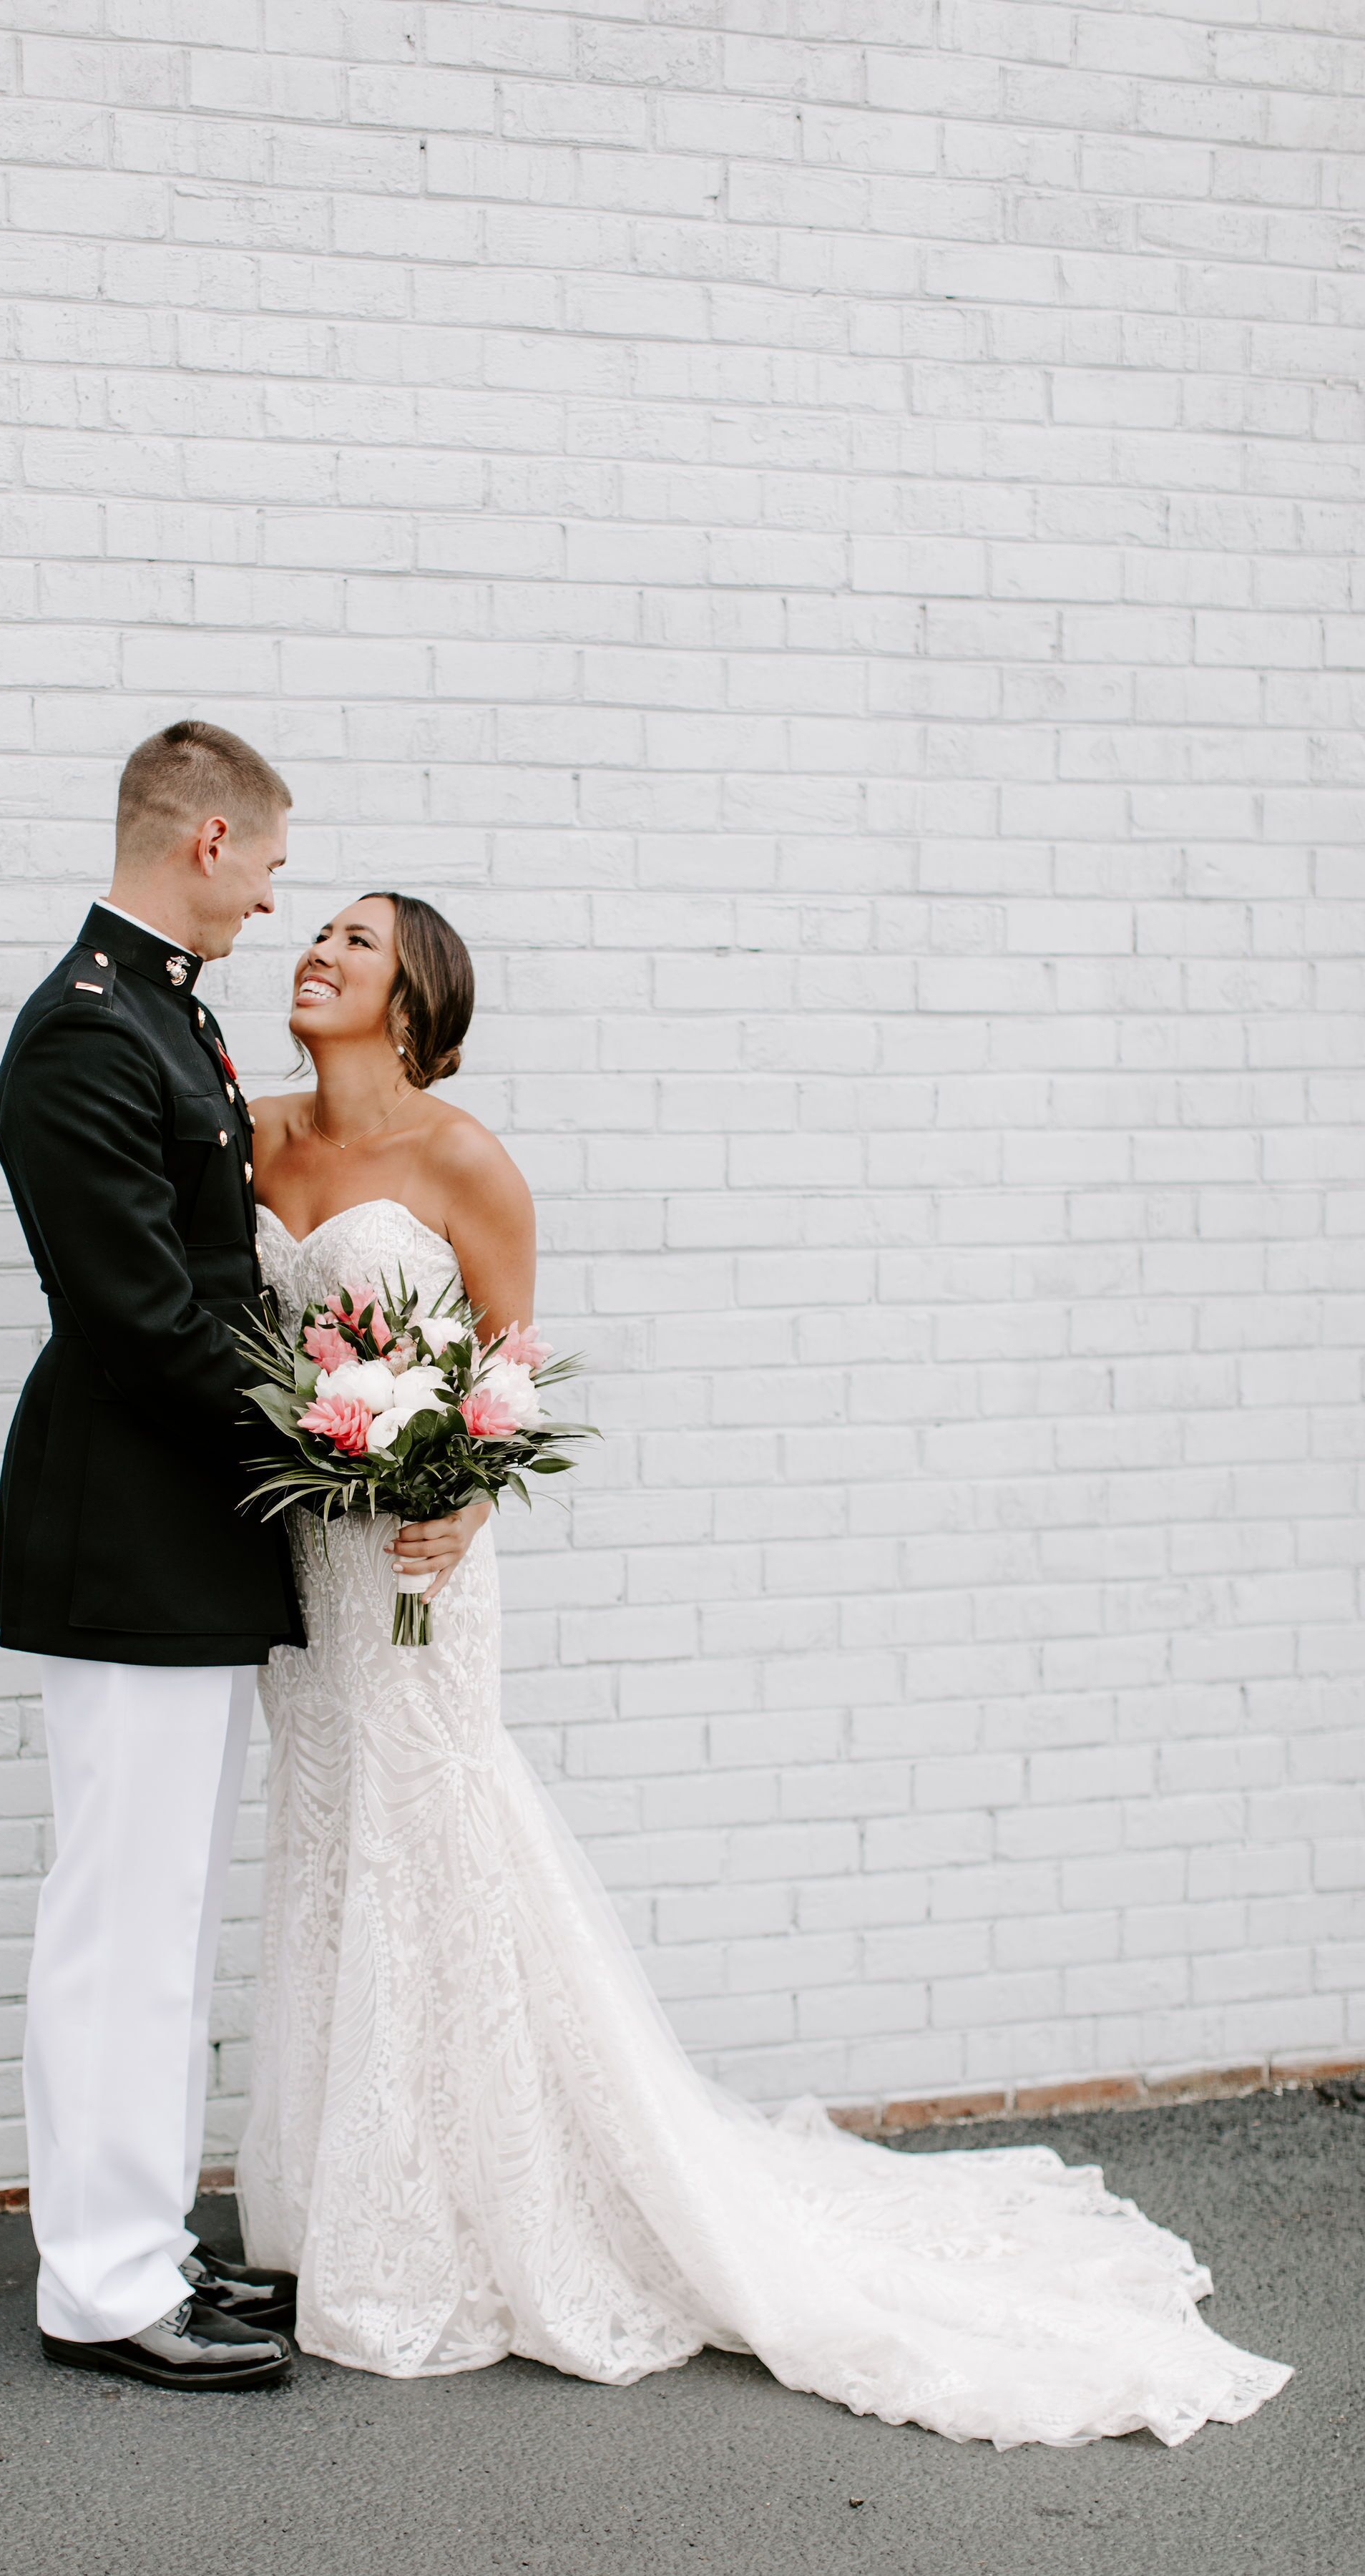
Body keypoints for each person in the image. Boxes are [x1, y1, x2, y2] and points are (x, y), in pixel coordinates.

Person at [237, 891, 1293, 2448]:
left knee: (437, 1844)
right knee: (332, 1847)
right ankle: (353, 2201)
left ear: (413, 1001)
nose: (318, 951)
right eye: (313, 929)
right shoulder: (253, 1140)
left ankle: (476, 2210)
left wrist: (455, 1490)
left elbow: (511, 1360)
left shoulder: (462, 1160)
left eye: (357, 942)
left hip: (417, 1569)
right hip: (304, 1575)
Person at [0, 721, 305, 2392]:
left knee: (167, 1909)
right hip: (127, 1526)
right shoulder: (86, 1036)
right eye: (265, 861)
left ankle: (149, 2239)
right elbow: (140, 1318)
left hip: (181, 1528)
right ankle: (102, 2287)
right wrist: (323, 1450)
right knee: (120, 1913)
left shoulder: (167, 1015)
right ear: (202, 840)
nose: (271, 895)